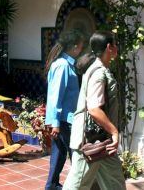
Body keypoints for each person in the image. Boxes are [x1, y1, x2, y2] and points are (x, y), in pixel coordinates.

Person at [63, 31, 126, 190]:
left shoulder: (99, 69)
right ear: (108, 47)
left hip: (102, 141)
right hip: (89, 141)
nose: (117, 48)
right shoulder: (98, 72)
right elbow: (94, 109)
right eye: (115, 44)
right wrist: (114, 132)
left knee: (115, 184)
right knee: (77, 185)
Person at [44, 30, 87, 190]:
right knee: (75, 157)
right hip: (64, 120)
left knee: (59, 156)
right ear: (75, 47)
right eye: (81, 47)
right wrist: (55, 123)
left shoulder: (66, 64)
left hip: (65, 120)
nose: (82, 50)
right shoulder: (62, 66)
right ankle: (55, 185)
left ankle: (52, 185)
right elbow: (56, 97)